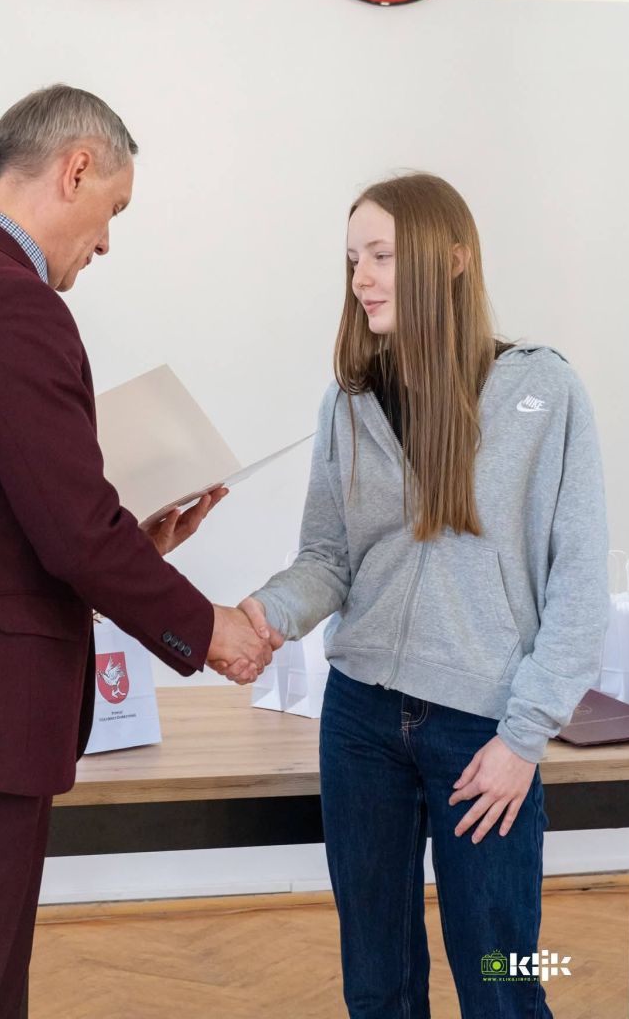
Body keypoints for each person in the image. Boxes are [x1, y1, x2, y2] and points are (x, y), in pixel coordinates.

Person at [0, 84, 278, 1019]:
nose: (107, 241)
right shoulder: (9, 303)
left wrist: (133, 541)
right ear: (76, 168)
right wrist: (207, 628)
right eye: (113, 208)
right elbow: (73, 530)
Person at [235, 173, 609, 1018]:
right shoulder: (347, 404)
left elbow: (579, 588)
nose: (361, 278)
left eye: (382, 256)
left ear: (454, 260)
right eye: (352, 260)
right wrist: (262, 615)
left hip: (483, 730)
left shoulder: (544, 393)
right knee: (377, 982)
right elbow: (328, 559)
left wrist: (524, 738)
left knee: (504, 977)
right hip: (360, 721)